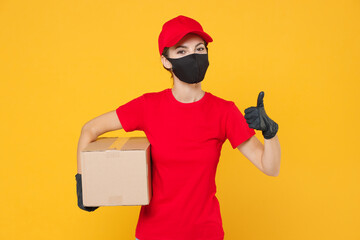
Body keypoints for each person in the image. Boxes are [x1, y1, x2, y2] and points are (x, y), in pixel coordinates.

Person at [75, 15, 281, 240]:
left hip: (205, 233)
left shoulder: (224, 111)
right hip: (153, 234)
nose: (193, 56)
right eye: (182, 51)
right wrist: (85, 185)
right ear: (166, 61)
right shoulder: (148, 106)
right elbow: (90, 129)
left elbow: (269, 167)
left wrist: (270, 134)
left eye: (200, 49)